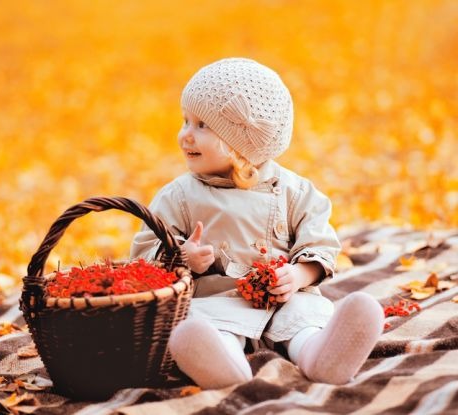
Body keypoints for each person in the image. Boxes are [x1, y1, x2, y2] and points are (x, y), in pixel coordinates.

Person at [130, 57, 383, 389]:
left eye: (201, 126)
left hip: (287, 297)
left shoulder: (295, 191)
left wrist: (298, 275)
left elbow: (319, 243)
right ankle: (223, 366)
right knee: (205, 326)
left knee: (303, 322)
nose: (185, 136)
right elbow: (144, 254)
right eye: (185, 121)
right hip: (218, 299)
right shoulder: (179, 196)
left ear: (240, 145)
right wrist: (182, 257)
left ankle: (321, 357)